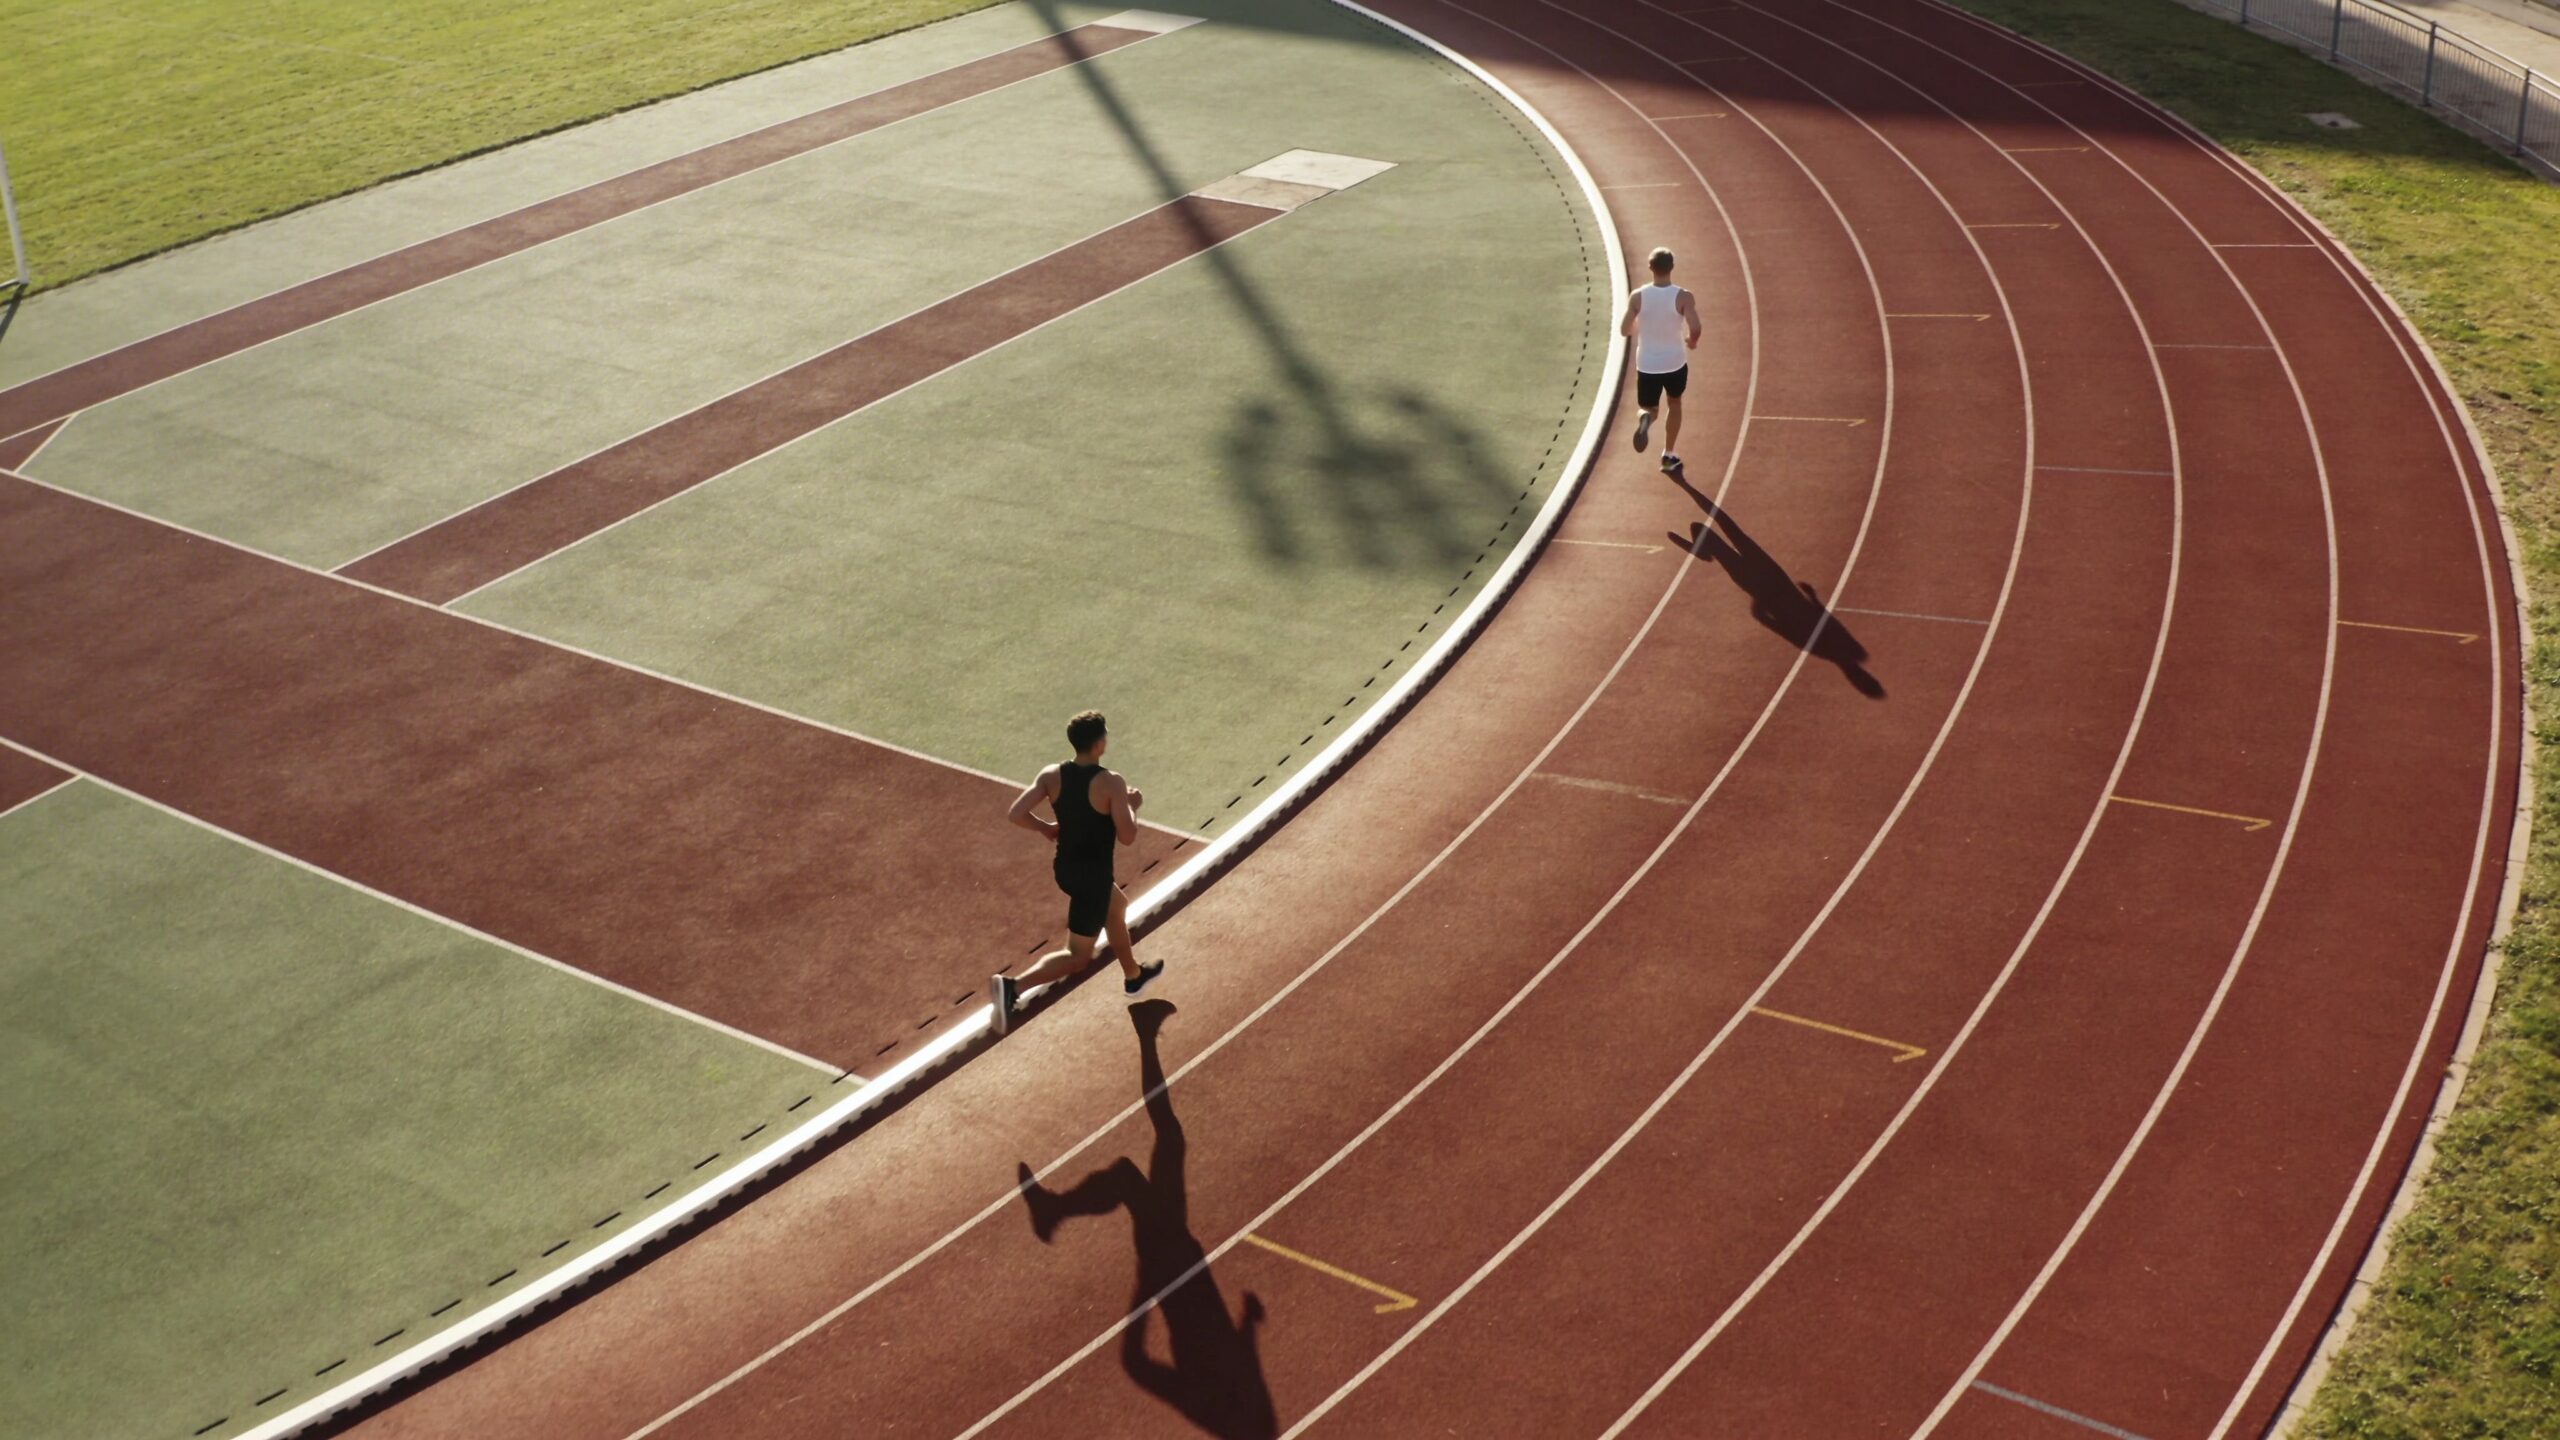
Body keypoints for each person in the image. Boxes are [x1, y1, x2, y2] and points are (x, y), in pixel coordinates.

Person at [993, 709, 1163, 1033]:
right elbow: (1127, 837)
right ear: (1100, 744)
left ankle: (1133, 976)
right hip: (1093, 876)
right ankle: (1012, 987)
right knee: (1078, 957)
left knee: (1117, 907)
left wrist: (1045, 828)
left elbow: (1016, 812)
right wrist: (1132, 806)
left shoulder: (1051, 775)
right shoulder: (1111, 783)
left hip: (1066, 868)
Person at [1621, 246, 1702, 474]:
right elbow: (1695, 326)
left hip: (1647, 364)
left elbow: (1624, 329)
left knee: (1649, 408)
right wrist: (1692, 341)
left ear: (1650, 268)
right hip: (1674, 363)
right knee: (1674, 404)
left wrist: (1637, 326)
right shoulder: (1683, 296)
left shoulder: (1638, 296)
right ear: (1672, 267)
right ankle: (1668, 455)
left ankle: (1646, 417)